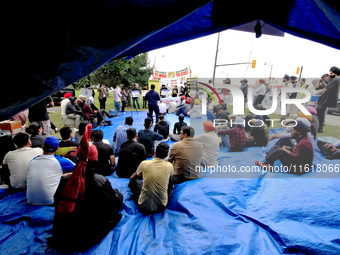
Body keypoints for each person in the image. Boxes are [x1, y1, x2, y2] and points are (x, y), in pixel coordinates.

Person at [48, 124, 123, 251]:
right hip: (88, 233)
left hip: (65, 233)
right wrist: (117, 194)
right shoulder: (100, 181)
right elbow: (113, 203)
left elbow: (56, 201)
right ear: (95, 159)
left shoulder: (66, 179)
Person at [27, 136, 75, 205]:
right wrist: (70, 174)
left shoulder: (33, 161)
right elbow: (79, 169)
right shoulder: (61, 161)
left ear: (43, 147)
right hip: (51, 201)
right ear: (57, 148)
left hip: (31, 201)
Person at [128, 143, 174, 214]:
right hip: (162, 205)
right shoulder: (170, 166)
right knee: (171, 184)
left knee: (133, 182)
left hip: (143, 206)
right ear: (166, 155)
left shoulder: (144, 163)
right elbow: (171, 180)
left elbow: (133, 177)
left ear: (155, 152)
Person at [315, 66, 340, 132]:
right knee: (320, 113)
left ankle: (319, 127)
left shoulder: (336, 80)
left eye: (331, 73)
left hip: (326, 99)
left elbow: (326, 89)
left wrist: (314, 94)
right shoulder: (335, 80)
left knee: (318, 112)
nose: (330, 74)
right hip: (326, 99)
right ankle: (319, 128)